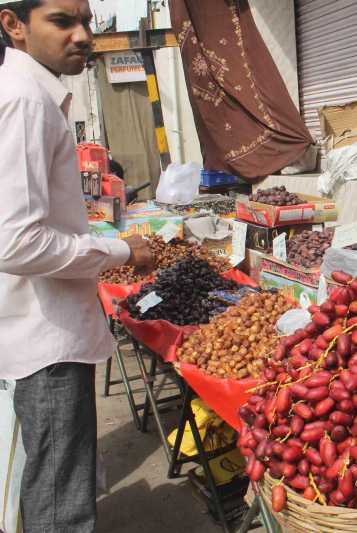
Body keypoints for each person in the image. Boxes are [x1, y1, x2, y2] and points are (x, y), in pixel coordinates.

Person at [0, 1, 154, 531]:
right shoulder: (25, 101)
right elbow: (16, 243)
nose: (83, 36)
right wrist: (120, 252)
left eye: (86, 22)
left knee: (51, 478)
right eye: (63, 22)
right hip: (44, 339)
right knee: (60, 502)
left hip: (39, 327)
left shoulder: (33, 96)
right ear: (13, 25)